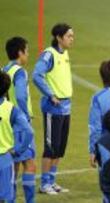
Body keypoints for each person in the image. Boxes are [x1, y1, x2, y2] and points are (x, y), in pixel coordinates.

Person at [33, 23, 74, 194]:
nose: (72, 39)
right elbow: (36, 75)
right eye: (69, 36)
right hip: (53, 108)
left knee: (60, 148)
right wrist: (50, 95)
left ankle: (52, 181)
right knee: (51, 148)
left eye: (72, 36)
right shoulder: (49, 55)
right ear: (59, 37)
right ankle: (44, 184)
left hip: (66, 107)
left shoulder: (65, 53)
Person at [2, 37, 36, 203]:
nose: (28, 55)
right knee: (29, 164)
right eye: (27, 51)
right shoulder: (20, 71)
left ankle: (12, 199)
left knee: (13, 167)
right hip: (19, 121)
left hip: (8, 122)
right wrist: (25, 114)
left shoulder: (4, 69)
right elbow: (21, 95)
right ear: (20, 52)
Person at [0, 71, 33, 203]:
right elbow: (29, 132)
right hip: (5, 160)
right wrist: (18, 150)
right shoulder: (12, 109)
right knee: (6, 198)